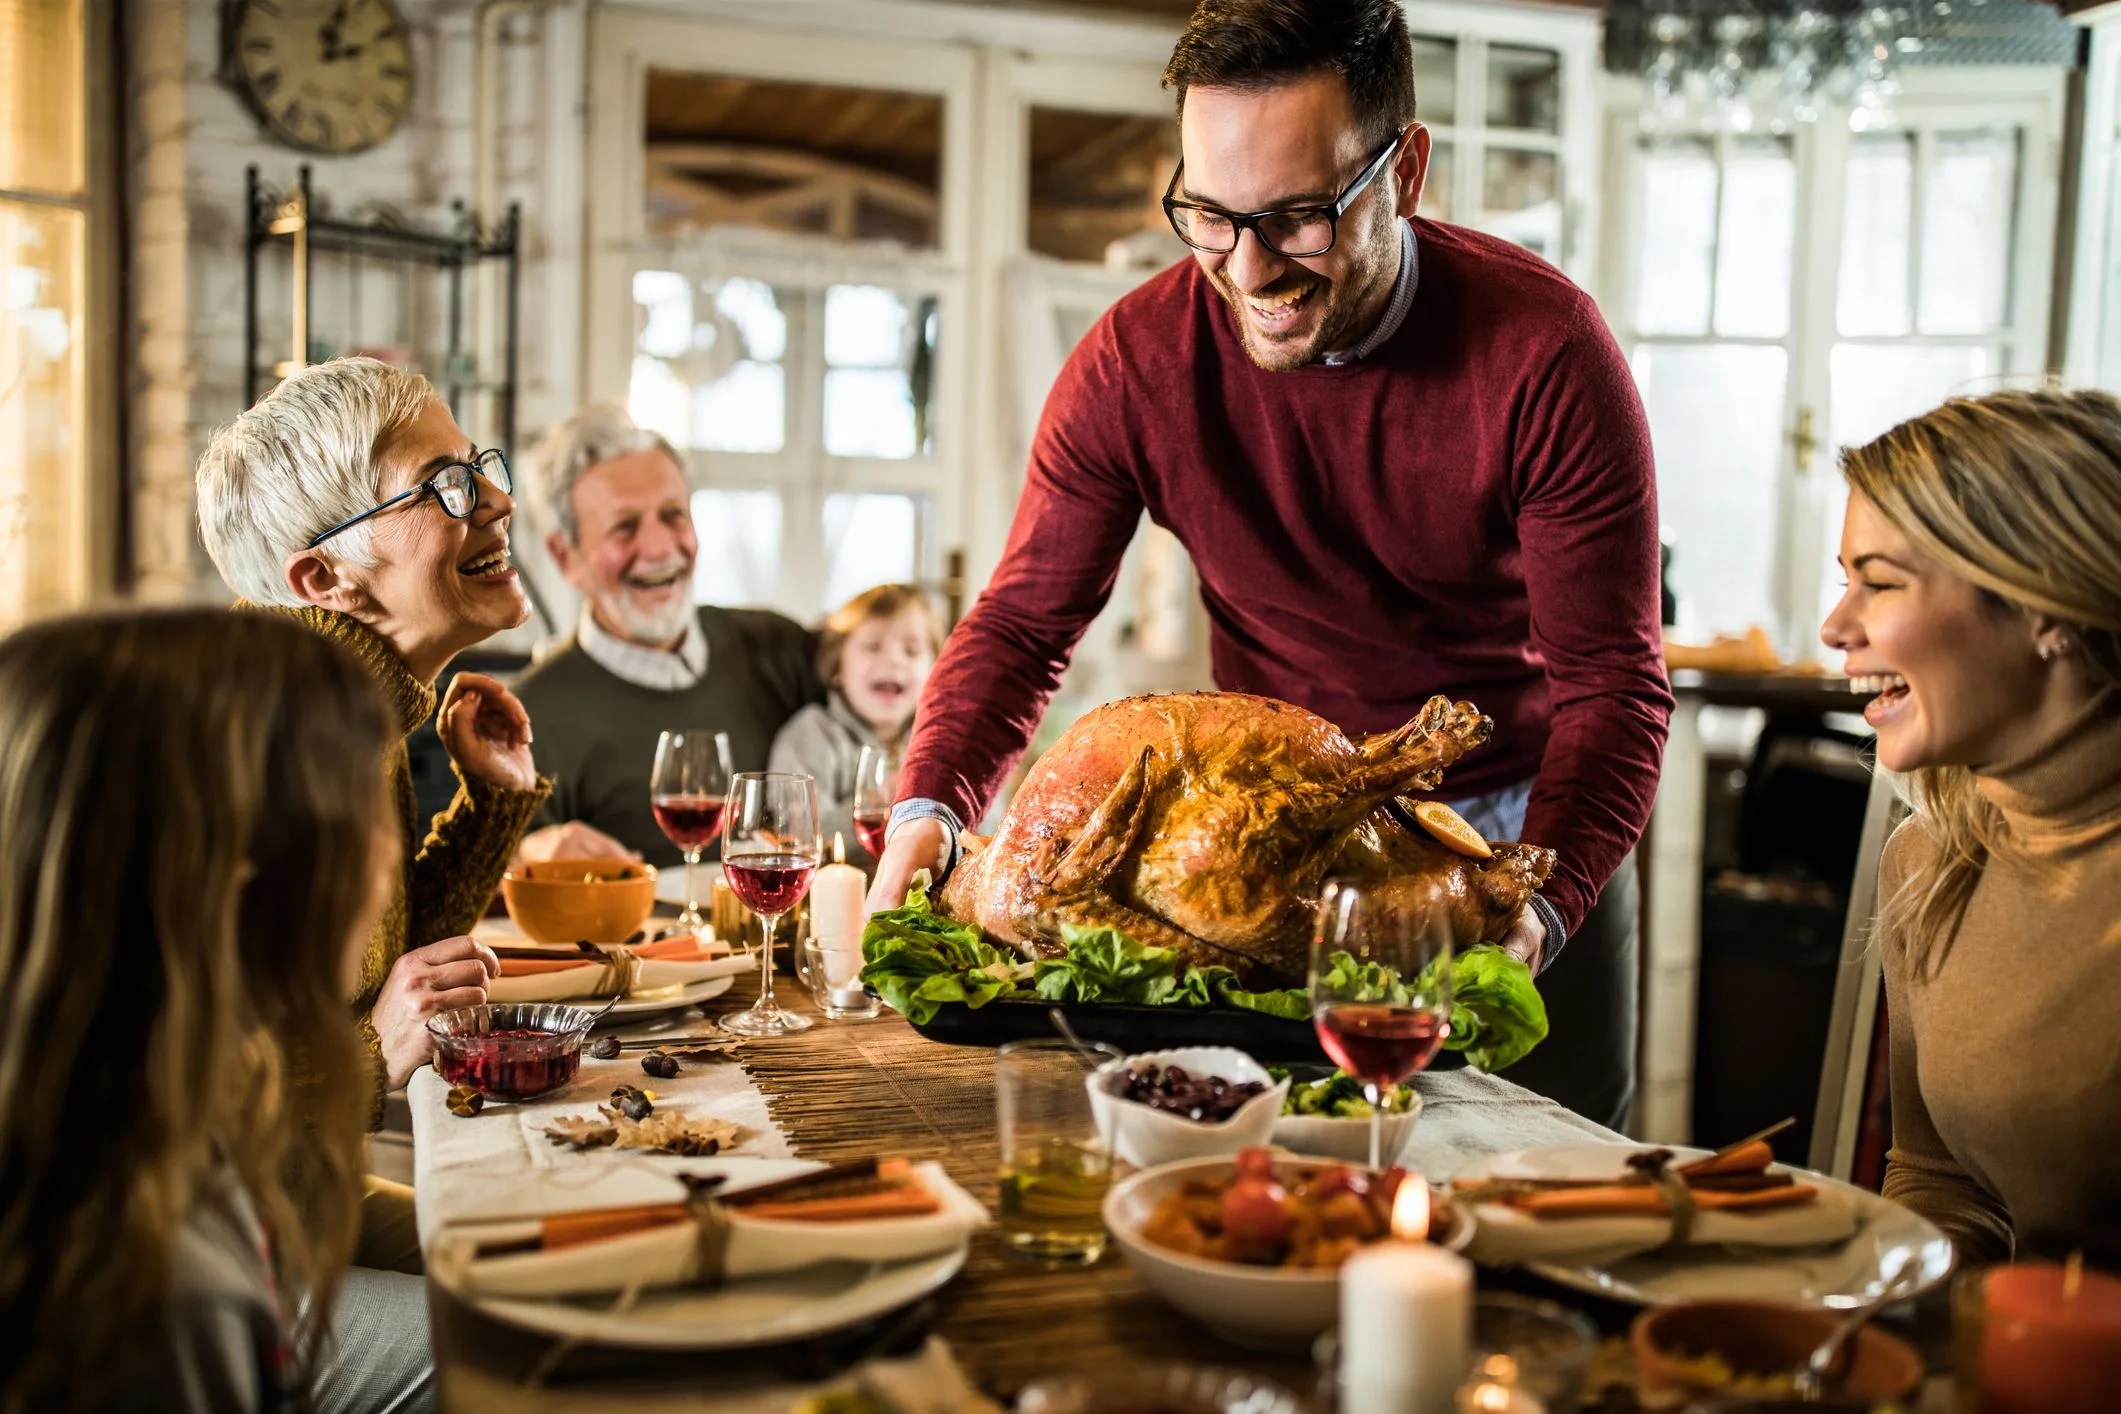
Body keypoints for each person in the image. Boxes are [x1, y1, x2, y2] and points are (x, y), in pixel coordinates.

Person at [867, 0, 1670, 1127]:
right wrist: (930, 807)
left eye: (1298, 216)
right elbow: (1022, 625)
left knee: (1552, 1183)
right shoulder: (1132, 363)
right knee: (1288, 1183)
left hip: (1525, 829)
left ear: (1406, 173)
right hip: (1263, 862)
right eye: (1208, 213)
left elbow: (1614, 684)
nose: (1247, 268)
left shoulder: (1545, 354)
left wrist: (1545, 899)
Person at [0, 608, 433, 1414]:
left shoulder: (125, 1094)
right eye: (357, 811)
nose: (385, 858)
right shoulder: (162, 1300)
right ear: (234, 867)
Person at [196, 356, 550, 1268]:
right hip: (174, 1260)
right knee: (534, 1346)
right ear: (325, 579)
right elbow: (147, 1107)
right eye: (444, 486)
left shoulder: (351, 712)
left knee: (563, 1259)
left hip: (291, 1196)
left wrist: (490, 808)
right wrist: (370, 1053)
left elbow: (376, 972)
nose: (494, 502)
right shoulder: (251, 744)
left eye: (479, 467)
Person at [1820, 387, 2121, 1267]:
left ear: (2046, 609)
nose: (1836, 628)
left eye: (1877, 584)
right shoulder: (1927, 860)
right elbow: (1942, 1179)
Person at [514, 403, 821, 865]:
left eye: (674, 515)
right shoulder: (527, 720)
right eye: (624, 526)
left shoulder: (778, 647)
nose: (659, 548)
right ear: (564, 557)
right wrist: (522, 855)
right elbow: (483, 886)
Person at [770, 583, 943, 859]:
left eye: (911, 651)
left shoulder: (940, 740)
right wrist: (882, 798)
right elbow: (798, 834)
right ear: (837, 667)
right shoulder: (812, 734)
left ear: (935, 672)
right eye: (872, 647)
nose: (893, 660)